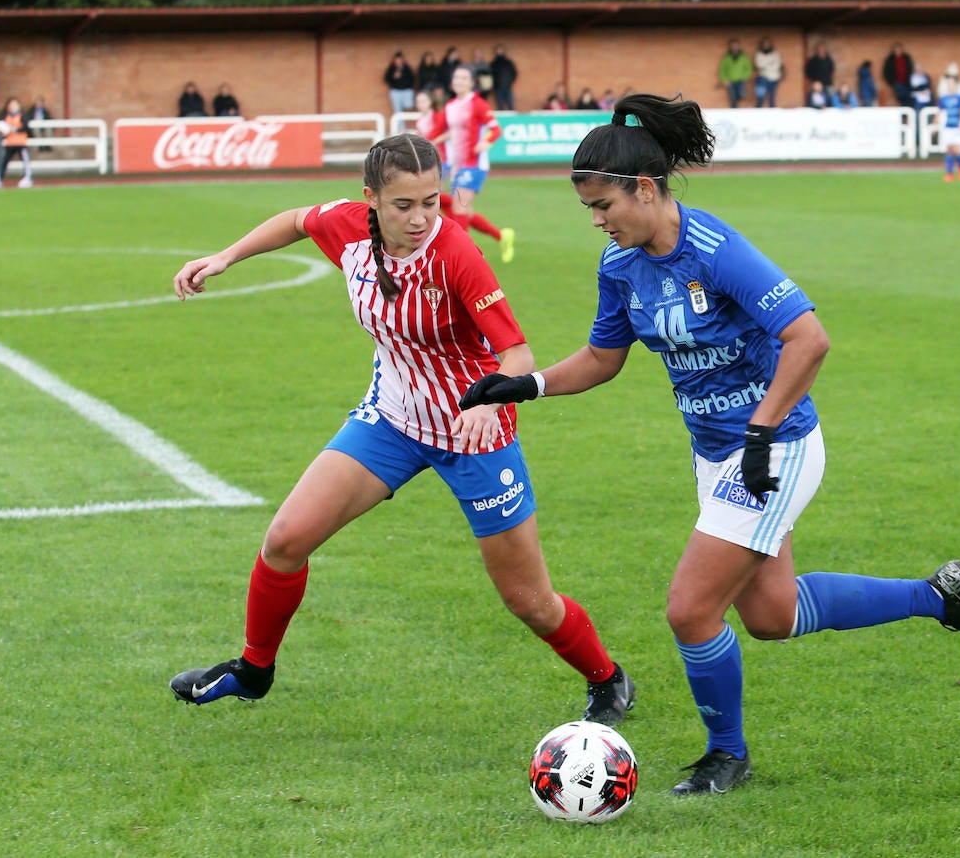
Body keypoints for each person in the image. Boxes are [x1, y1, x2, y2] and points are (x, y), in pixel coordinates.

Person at [458, 93, 960, 797]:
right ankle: (940, 594)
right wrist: (524, 387)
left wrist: (760, 429)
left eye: (604, 206)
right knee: (774, 617)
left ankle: (727, 756)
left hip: (774, 448)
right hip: (720, 451)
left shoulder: (714, 250)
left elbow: (808, 338)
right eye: (589, 209)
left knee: (689, 608)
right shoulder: (620, 266)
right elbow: (602, 358)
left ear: (645, 190)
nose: (597, 221)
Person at [166, 133, 635, 728]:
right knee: (285, 540)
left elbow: (516, 353)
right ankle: (254, 671)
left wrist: (490, 403)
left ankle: (608, 678)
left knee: (529, 601)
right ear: (371, 199)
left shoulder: (456, 253)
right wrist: (224, 257)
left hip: (473, 436)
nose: (420, 219)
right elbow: (294, 221)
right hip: (390, 421)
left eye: (431, 202)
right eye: (403, 205)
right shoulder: (346, 226)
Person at [427, 65, 515, 263]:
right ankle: (502, 236)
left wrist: (486, 142)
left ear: (471, 83)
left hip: (474, 164)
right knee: (465, 212)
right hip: (458, 165)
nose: (459, 81)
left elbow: (495, 129)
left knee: (459, 207)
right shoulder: (450, 106)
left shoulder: (478, 104)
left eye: (464, 78)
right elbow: (437, 130)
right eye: (456, 78)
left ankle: (462, 256)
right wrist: (417, 141)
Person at [0, 96, 32, 189]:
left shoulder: (22, 116)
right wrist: (3, 132)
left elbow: (27, 129)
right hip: (10, 143)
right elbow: (3, 130)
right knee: (4, 161)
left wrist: (17, 129)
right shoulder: (7, 117)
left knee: (25, 161)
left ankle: (28, 178)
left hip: (20, 143)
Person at [936, 66, 960, 183]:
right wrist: (935, 125)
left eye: (952, 84)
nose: (950, 87)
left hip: (957, 126)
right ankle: (950, 174)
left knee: (957, 149)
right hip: (948, 127)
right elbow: (939, 112)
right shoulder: (943, 98)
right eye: (948, 85)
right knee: (949, 149)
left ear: (955, 86)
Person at [718, 37, 752, 109]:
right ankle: (734, 111)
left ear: (738, 46)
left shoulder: (743, 57)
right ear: (730, 46)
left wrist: (745, 77)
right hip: (730, 81)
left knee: (742, 95)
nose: (734, 47)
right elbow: (722, 70)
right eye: (733, 45)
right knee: (733, 98)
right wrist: (725, 80)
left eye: (736, 45)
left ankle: (740, 108)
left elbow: (748, 68)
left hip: (740, 80)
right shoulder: (727, 57)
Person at [753, 35, 783, 108]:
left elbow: (777, 65)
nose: (766, 45)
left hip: (774, 78)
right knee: (760, 98)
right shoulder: (759, 54)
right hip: (763, 78)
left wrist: (766, 65)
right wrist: (770, 63)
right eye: (764, 44)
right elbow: (759, 65)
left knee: (772, 99)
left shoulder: (775, 53)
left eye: (767, 43)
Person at [881, 42, 913, 107]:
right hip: (897, 83)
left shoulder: (906, 58)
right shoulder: (890, 59)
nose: (898, 51)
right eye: (896, 49)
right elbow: (886, 72)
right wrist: (891, 81)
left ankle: (907, 113)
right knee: (901, 98)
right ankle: (904, 113)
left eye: (899, 49)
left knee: (908, 98)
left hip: (907, 82)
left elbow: (910, 68)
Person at [383, 50, 415, 114]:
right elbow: (386, 79)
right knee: (397, 110)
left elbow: (412, 78)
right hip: (396, 91)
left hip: (406, 90)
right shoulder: (391, 68)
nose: (398, 62)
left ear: (402, 60)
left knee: (409, 106)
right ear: (394, 60)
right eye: (397, 60)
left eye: (400, 60)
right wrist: (393, 77)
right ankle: (400, 124)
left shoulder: (406, 68)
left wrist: (408, 85)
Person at [490, 43, 518, 111]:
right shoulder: (493, 63)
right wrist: (495, 84)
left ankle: (513, 121)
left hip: (507, 87)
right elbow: (491, 75)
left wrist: (510, 82)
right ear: (495, 51)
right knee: (500, 107)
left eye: (501, 50)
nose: (499, 51)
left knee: (511, 106)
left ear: (503, 51)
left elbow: (514, 73)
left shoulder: (508, 62)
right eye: (498, 50)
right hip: (498, 88)